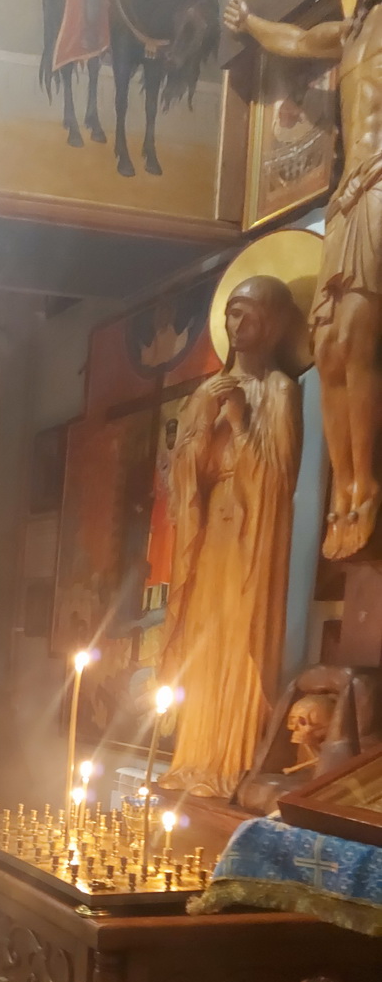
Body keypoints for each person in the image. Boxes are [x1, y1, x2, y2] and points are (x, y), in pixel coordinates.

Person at [226, 0, 382, 559]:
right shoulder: (350, 33)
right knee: (329, 345)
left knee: (357, 331)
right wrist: (250, 24)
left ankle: (367, 483)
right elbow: (294, 42)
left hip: (380, 185)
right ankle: (345, 485)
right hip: (346, 195)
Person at [160, 277, 303, 798]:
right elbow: (183, 481)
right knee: (202, 639)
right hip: (209, 540)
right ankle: (194, 758)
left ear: (272, 324)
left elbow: (277, 482)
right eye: (231, 315)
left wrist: (241, 424)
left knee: (237, 641)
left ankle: (228, 762)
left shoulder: (280, 390)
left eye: (248, 316)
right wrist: (202, 422)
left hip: (251, 541)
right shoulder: (206, 391)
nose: (236, 326)